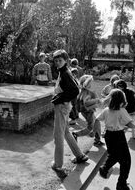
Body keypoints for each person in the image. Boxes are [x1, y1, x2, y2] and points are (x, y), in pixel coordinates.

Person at [50, 50, 88, 178]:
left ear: (65, 60)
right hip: (64, 107)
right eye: (56, 61)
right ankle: (79, 155)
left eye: (60, 60)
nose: (57, 63)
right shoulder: (64, 71)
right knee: (65, 132)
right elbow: (72, 88)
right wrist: (60, 97)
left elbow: (74, 90)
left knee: (58, 135)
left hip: (61, 107)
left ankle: (58, 164)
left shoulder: (65, 73)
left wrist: (60, 98)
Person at [97, 89, 135, 190]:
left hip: (108, 136)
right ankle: (121, 183)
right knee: (126, 161)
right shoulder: (122, 111)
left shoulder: (106, 110)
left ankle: (105, 169)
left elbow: (97, 119)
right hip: (118, 136)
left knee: (115, 155)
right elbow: (129, 123)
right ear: (122, 100)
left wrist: (95, 131)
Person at [72, 75, 104, 146]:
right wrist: (96, 100)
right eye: (91, 83)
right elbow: (86, 103)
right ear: (87, 84)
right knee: (90, 127)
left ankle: (97, 139)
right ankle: (76, 134)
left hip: (87, 111)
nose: (93, 84)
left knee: (97, 122)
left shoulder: (85, 91)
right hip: (88, 112)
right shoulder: (86, 92)